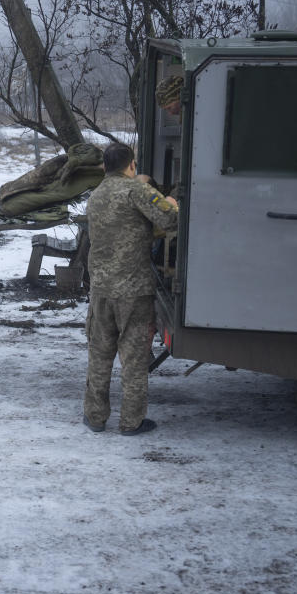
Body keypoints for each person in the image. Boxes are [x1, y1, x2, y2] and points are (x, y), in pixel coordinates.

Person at [82, 143, 179, 435]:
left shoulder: (95, 196)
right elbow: (170, 219)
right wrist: (172, 200)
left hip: (100, 288)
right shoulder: (136, 190)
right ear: (132, 165)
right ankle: (131, 421)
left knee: (99, 354)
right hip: (133, 290)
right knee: (133, 358)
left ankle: (95, 417)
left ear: (104, 167)